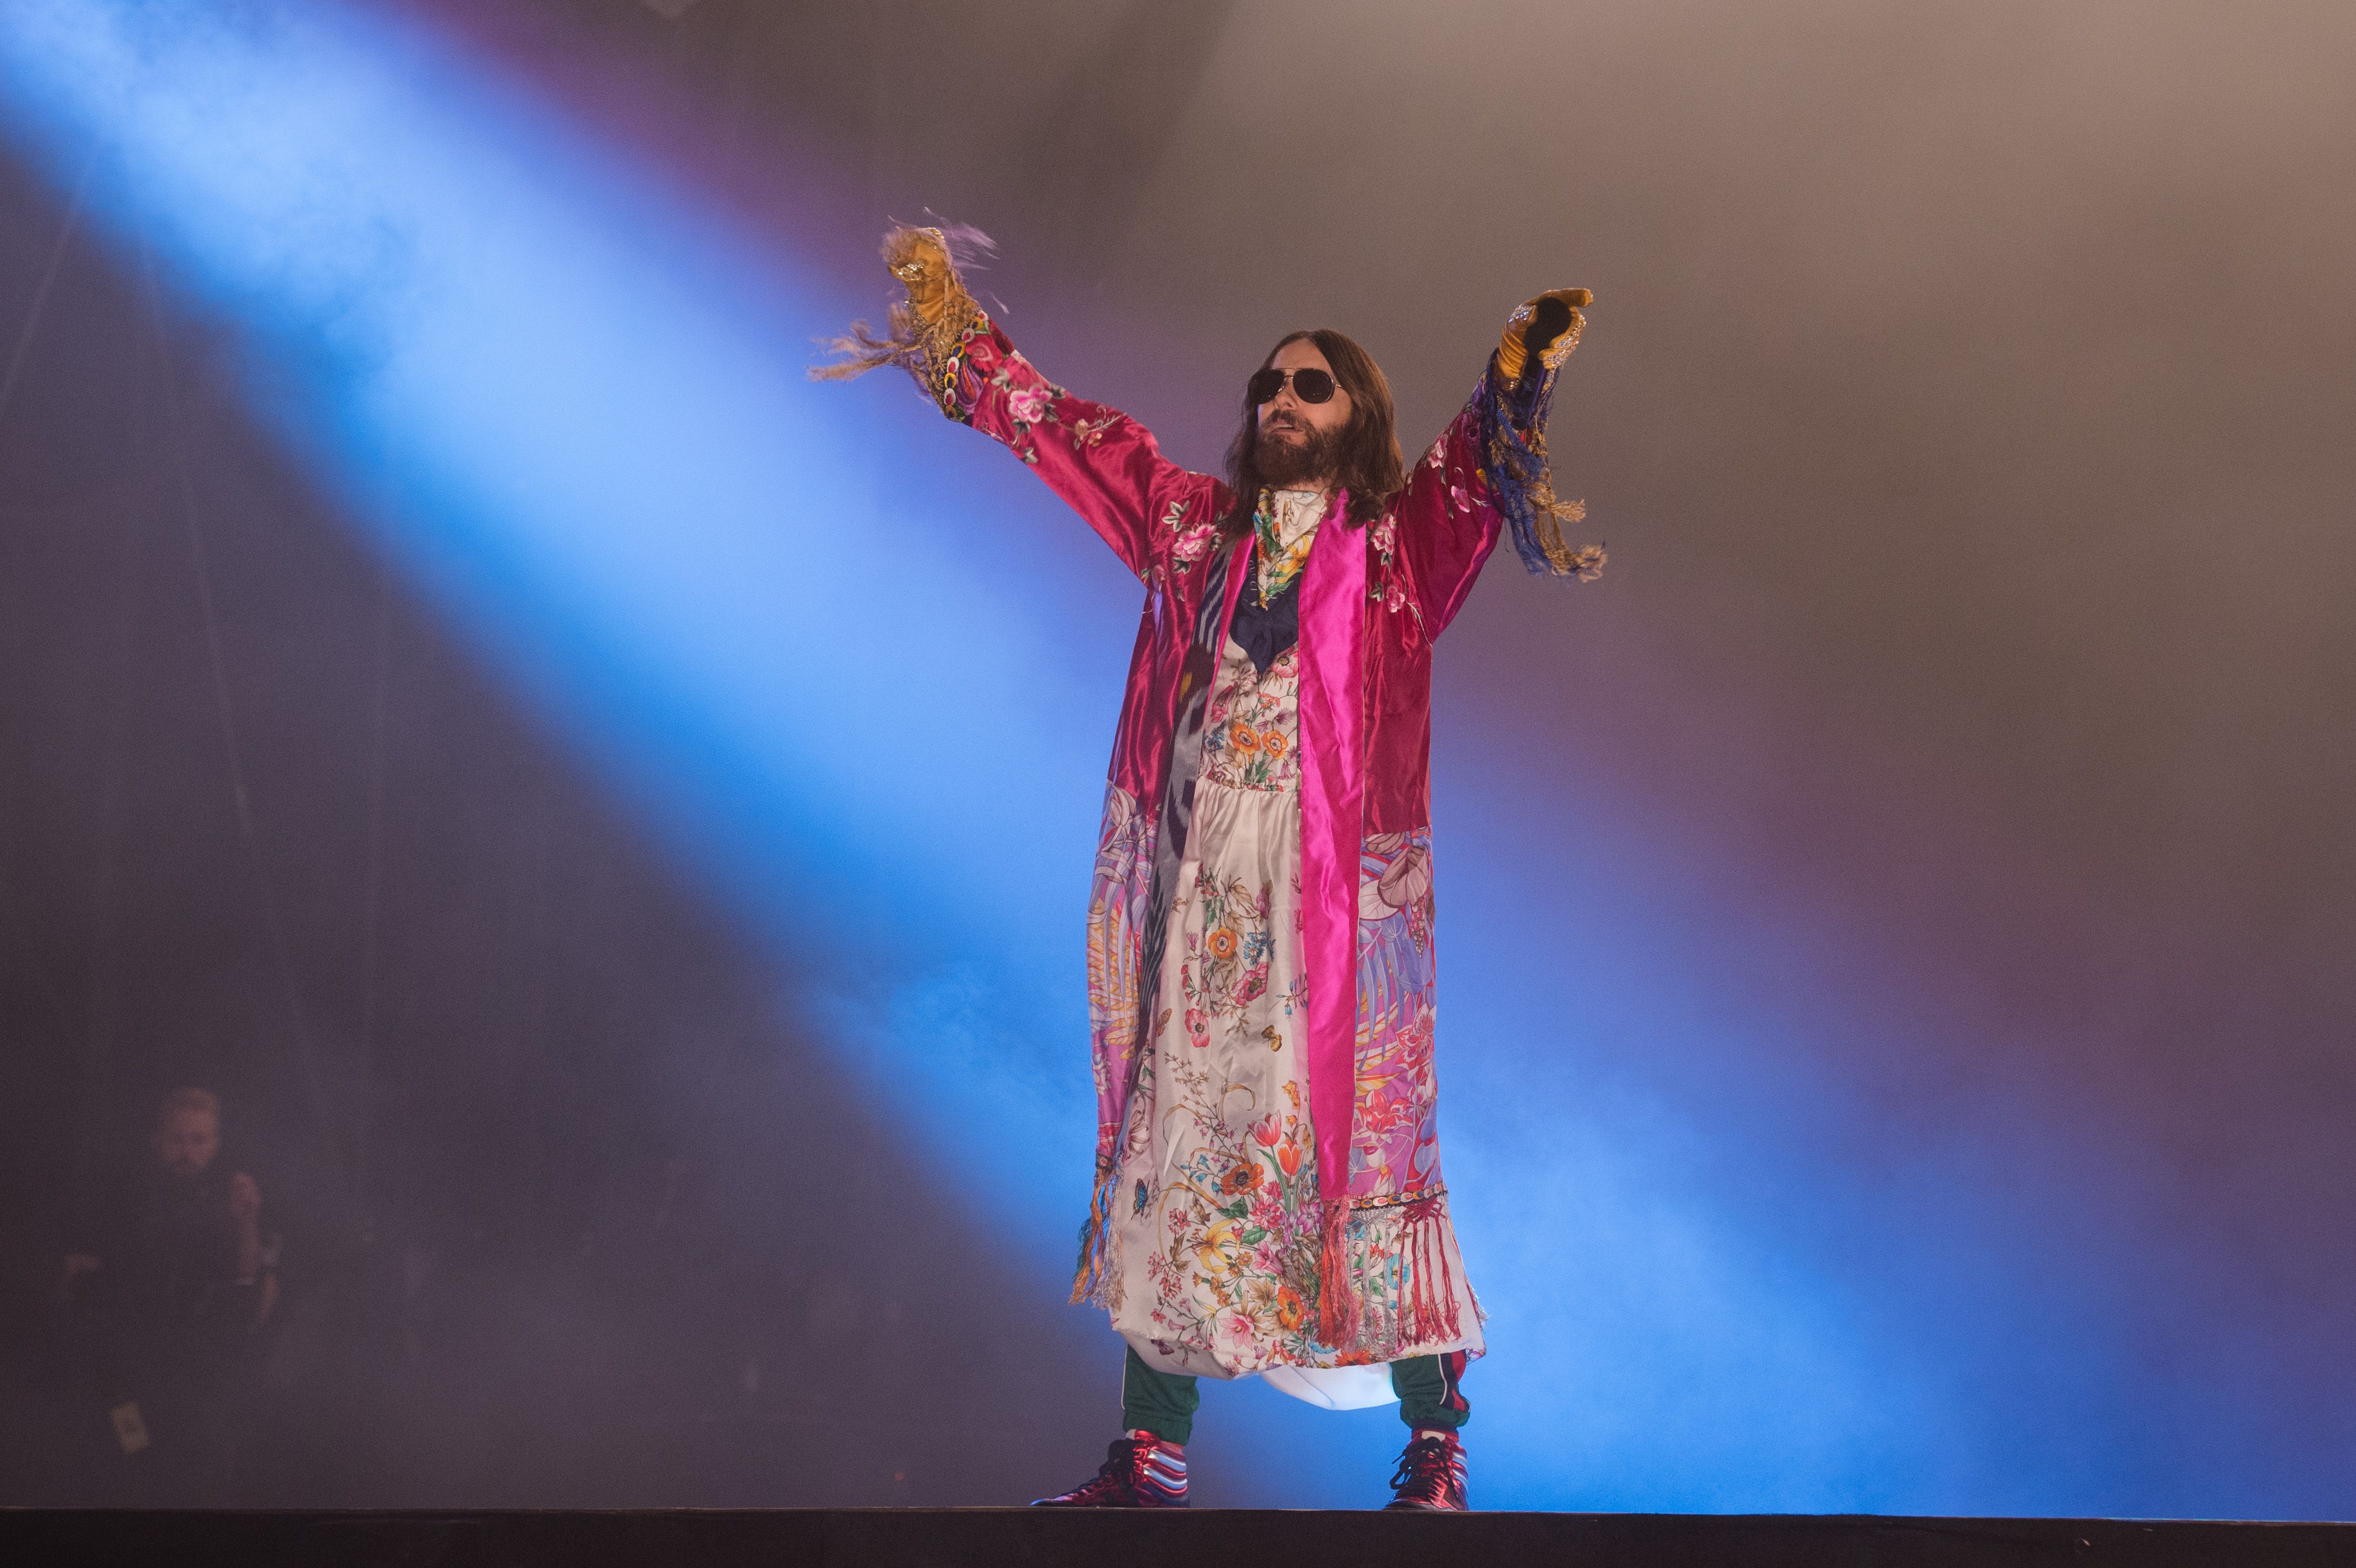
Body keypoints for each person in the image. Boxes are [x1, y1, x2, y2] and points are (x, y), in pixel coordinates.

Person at [819, 225, 1601, 1511]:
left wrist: (1512, 377)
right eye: (1268, 383)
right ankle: (1149, 1449)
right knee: (1170, 1144)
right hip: (1199, 907)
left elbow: (1471, 475)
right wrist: (957, 331)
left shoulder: (1397, 553)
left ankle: (1435, 1444)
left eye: (1311, 385)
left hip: (1337, 912)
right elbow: (1071, 435)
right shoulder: (1190, 531)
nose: (1279, 400)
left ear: (1356, 417)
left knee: (1366, 1162)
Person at [58, 1087, 279, 1497]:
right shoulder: (123, 1194)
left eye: (200, 1140)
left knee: (183, 1469)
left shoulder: (222, 1202)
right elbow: (87, 1264)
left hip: (190, 1372)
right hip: (122, 1369)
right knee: (129, 1458)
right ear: (158, 1140)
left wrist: (248, 1221)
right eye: (178, 1139)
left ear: (215, 1145)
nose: (187, 1150)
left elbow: (246, 1281)